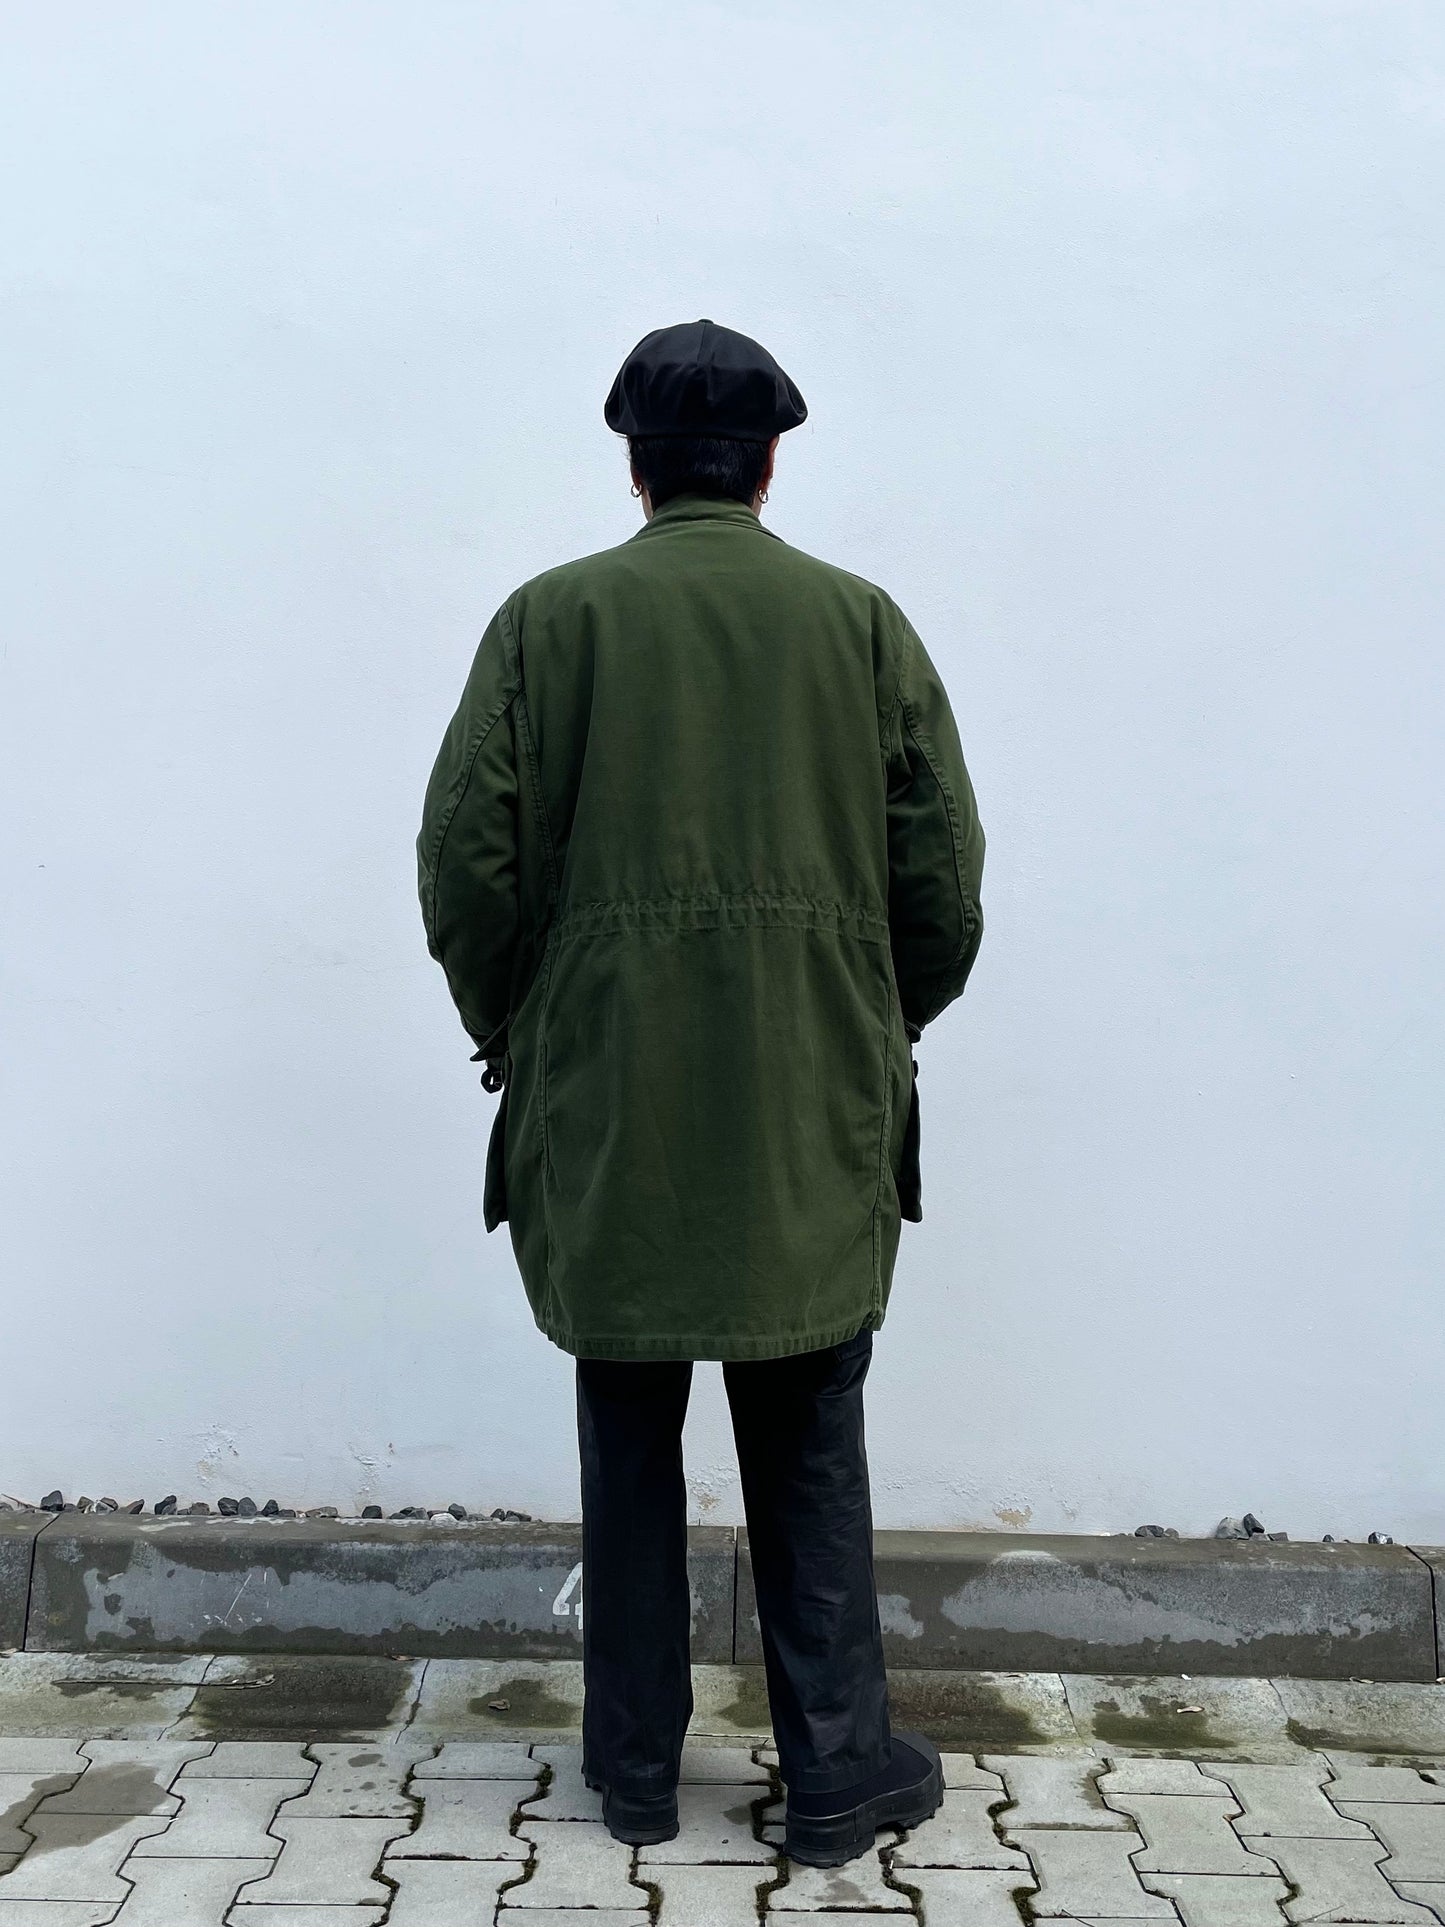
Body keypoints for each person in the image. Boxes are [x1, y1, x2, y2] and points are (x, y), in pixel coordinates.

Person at [417, 318, 985, 1867]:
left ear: (636, 467)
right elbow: (940, 878)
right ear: (770, 462)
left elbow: (464, 867)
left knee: (625, 1422)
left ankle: (633, 1773)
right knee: (807, 1427)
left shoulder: (547, 622)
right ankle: (837, 1775)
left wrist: (524, 1029)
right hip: (809, 1092)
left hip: (612, 1095)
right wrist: (869, 1016)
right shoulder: (858, 624)